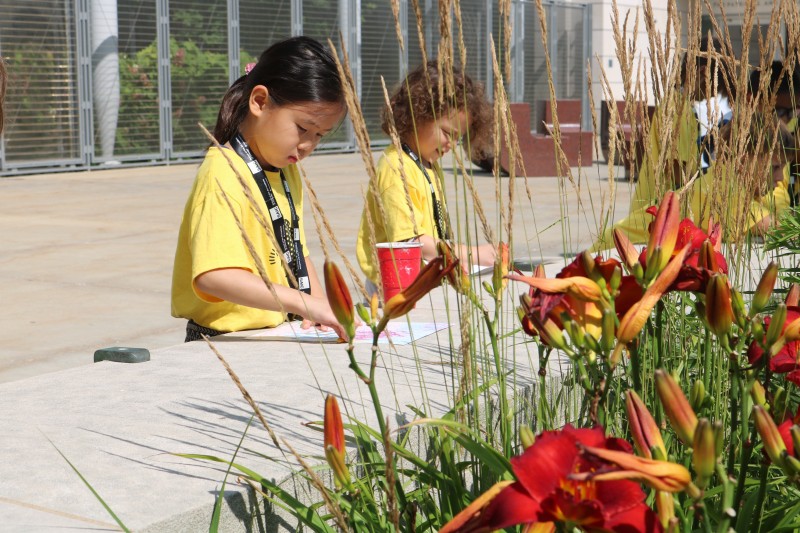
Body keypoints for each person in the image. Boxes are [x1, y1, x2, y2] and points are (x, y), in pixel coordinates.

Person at [172, 36, 348, 342]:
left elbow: (295, 249)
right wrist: (305, 303)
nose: (308, 145)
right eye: (303, 128)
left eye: (320, 135)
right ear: (260, 102)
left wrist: (321, 309)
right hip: (222, 340)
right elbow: (215, 276)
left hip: (276, 331)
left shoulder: (286, 169)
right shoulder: (223, 173)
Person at [355, 60, 495, 291]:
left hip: (420, 277)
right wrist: (471, 253)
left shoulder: (425, 162)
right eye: (447, 133)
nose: (451, 144)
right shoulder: (396, 168)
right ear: (417, 116)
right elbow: (409, 241)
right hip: (396, 286)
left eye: (458, 138)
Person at [591, 37, 730, 250]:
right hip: (660, 222)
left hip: (659, 217)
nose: (718, 93)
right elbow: (678, 172)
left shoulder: (682, 106)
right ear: (703, 73)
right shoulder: (678, 109)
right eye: (720, 82)